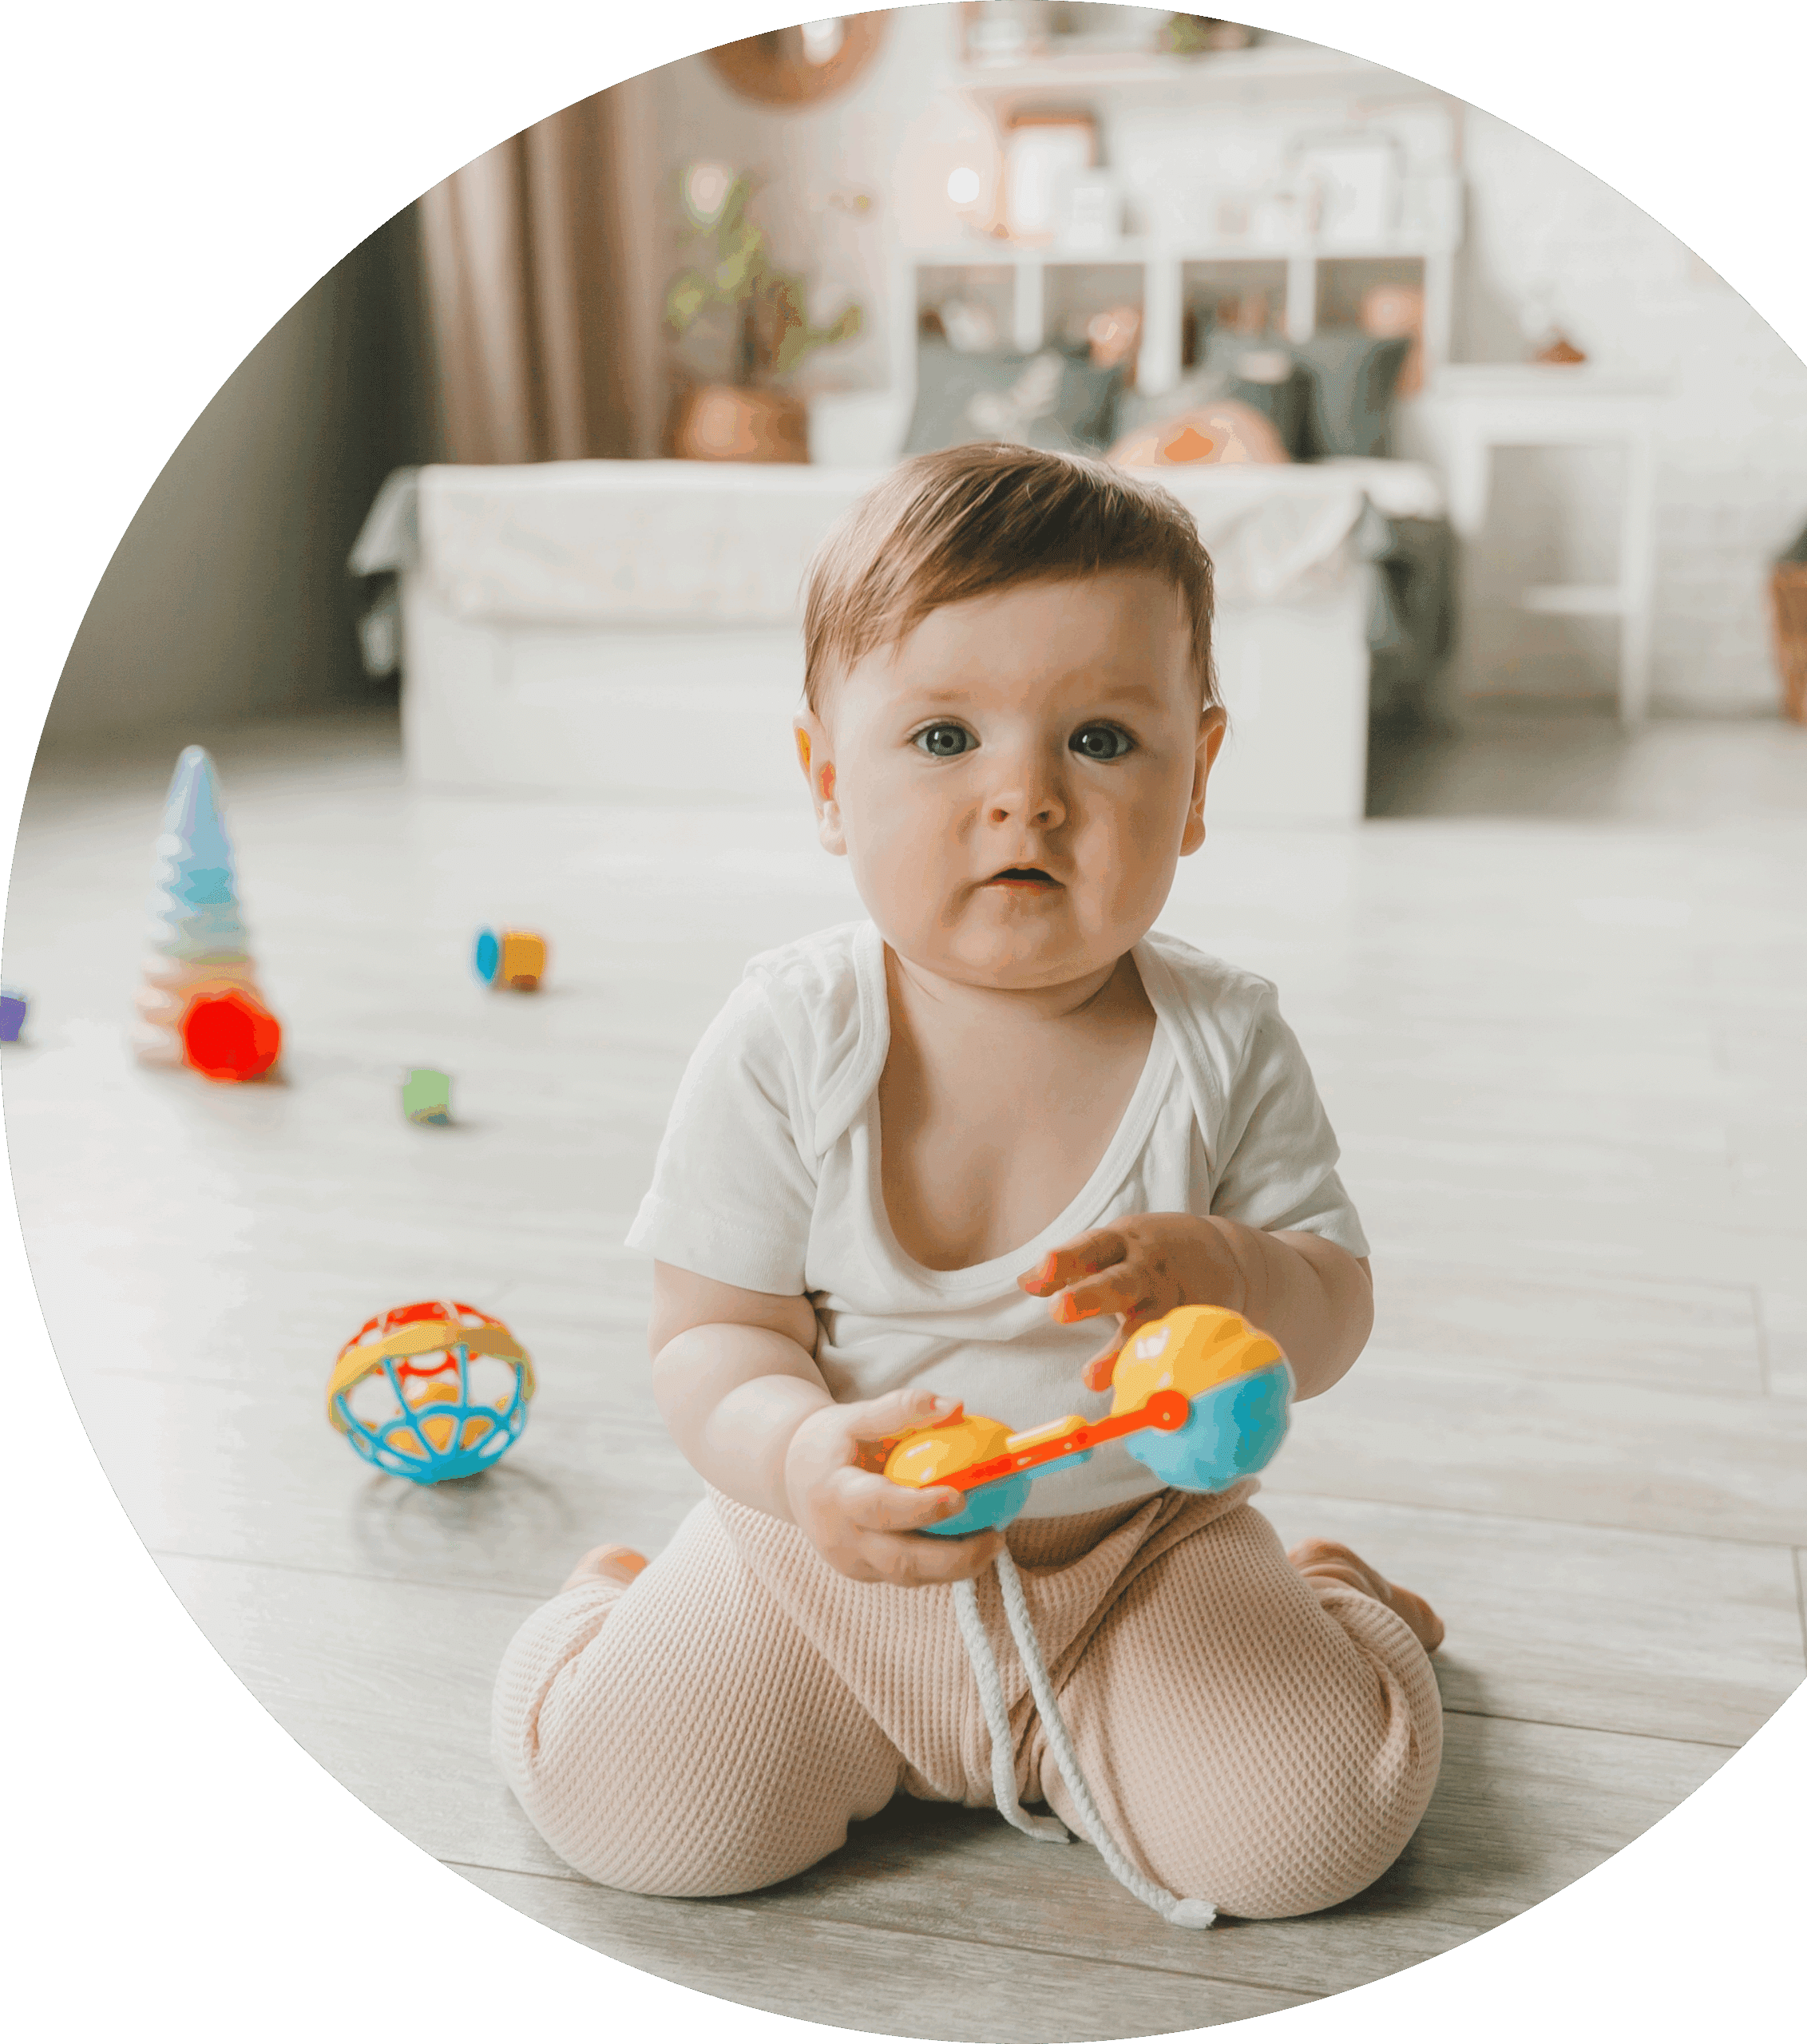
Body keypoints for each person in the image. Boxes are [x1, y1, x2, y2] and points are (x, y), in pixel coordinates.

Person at [492, 443, 1444, 1923]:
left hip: (1137, 1561)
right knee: (634, 1810)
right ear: (829, 782)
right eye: (945, 738)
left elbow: (1334, 1315)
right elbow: (712, 1336)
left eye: (1102, 741)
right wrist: (797, 1458)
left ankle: (1329, 1599)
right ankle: (608, 1605)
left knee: (1317, 1829)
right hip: (822, 1561)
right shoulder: (788, 1039)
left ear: (1198, 777)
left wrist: (1239, 1276)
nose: (1026, 797)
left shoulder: (1224, 1043)